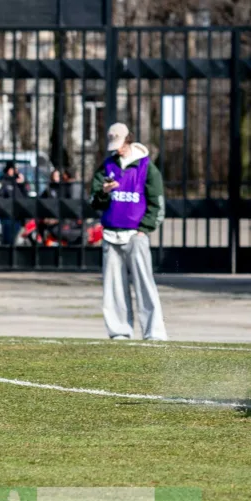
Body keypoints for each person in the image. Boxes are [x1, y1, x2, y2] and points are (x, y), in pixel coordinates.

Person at [90, 123, 167, 341]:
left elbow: (157, 203)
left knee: (145, 285)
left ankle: (154, 333)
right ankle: (119, 331)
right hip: (110, 234)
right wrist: (104, 193)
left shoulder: (146, 167)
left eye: (120, 144)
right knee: (113, 287)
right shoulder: (106, 166)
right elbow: (94, 200)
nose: (118, 149)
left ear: (129, 139)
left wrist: (144, 229)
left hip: (135, 235)